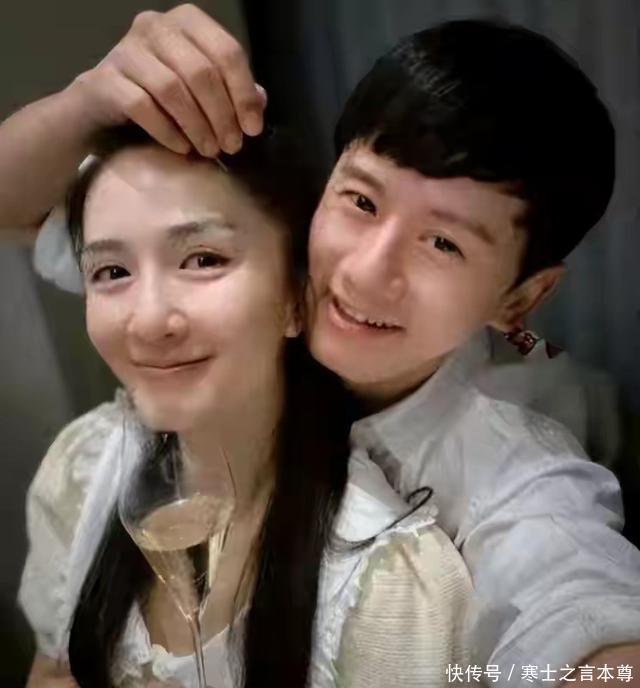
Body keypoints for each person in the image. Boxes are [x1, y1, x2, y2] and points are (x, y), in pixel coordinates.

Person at [2, 4, 639, 684]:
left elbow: (580, 609)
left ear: (520, 298)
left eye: (443, 243)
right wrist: (91, 99)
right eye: (362, 201)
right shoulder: (264, 250)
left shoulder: (505, 465)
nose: (364, 271)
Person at [17, 124, 472, 688]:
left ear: (295, 299)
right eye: (112, 272)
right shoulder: (82, 473)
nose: (149, 320)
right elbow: (52, 671)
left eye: (203, 259)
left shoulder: (389, 587)